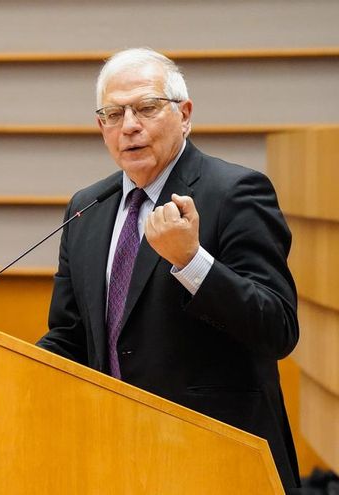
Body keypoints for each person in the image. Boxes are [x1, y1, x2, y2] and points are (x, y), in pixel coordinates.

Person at [36, 48, 299, 490]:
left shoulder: (235, 192)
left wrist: (192, 262)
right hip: (115, 453)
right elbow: (70, 336)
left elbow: (277, 327)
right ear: (102, 127)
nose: (130, 125)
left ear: (185, 114)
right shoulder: (87, 208)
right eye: (114, 114)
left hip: (216, 458)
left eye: (146, 108)